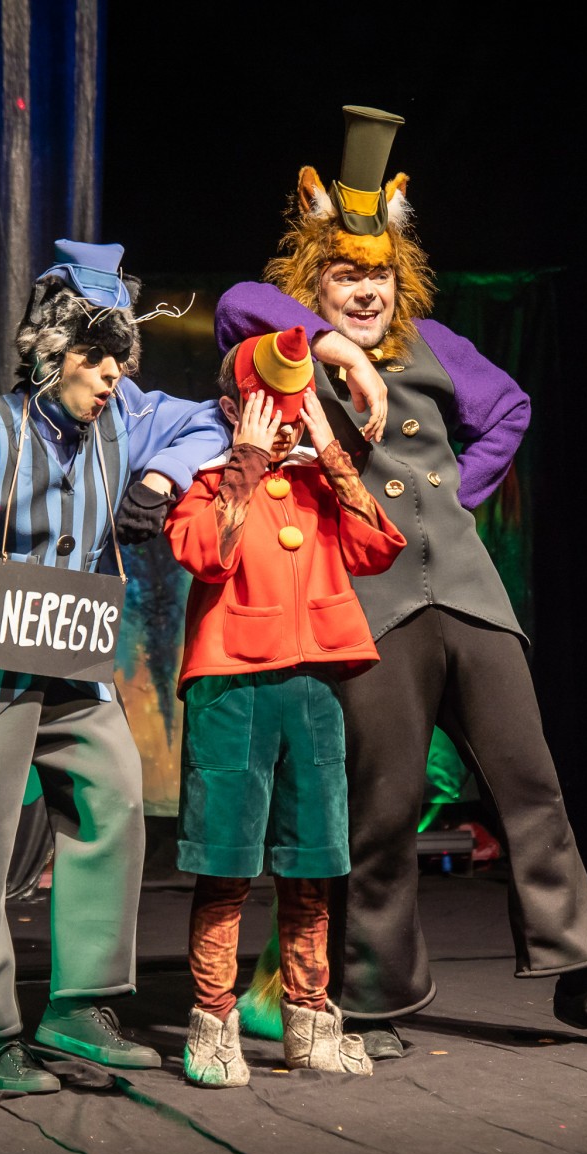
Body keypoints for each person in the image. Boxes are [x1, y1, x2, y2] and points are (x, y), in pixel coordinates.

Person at [213, 105, 587, 1058]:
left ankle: (583, 982)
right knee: (379, 809)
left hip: (466, 592)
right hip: (371, 605)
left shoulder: (434, 346)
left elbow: (509, 407)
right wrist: (333, 350)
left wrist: (454, 490)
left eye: (378, 274)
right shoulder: (289, 346)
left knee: (531, 789)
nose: (365, 291)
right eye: (346, 275)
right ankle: (373, 1000)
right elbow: (233, 305)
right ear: (315, 283)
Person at [0, 238, 231, 1092]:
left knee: (113, 797)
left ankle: (79, 1006)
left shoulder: (127, 417)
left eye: (121, 356)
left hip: (71, 650)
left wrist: (159, 481)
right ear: (51, 351)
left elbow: (210, 424)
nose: (113, 372)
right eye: (95, 354)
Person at [160, 325, 405, 1086]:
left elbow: (377, 547)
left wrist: (329, 449)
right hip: (232, 691)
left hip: (315, 690)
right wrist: (246, 460)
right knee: (226, 865)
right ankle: (212, 1027)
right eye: (272, 410)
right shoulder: (208, 483)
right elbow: (206, 554)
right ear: (235, 410)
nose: (286, 424)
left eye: (295, 411)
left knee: (311, 866)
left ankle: (310, 1022)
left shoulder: (318, 487)